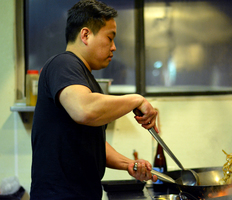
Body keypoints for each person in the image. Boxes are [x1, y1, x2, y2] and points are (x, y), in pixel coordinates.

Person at [30, 0, 158, 199]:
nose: (114, 47)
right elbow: (83, 110)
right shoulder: (63, 63)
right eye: (110, 38)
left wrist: (128, 165)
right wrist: (136, 99)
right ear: (86, 35)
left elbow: (92, 143)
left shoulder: (86, 79)